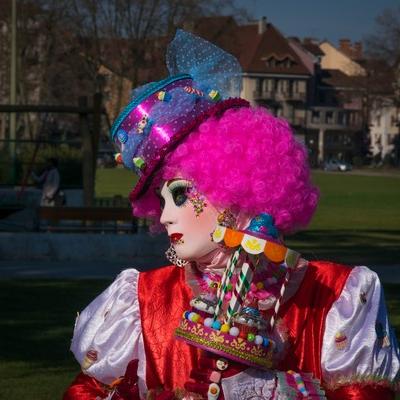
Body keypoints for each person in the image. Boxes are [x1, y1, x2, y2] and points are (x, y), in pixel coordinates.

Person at [64, 31, 399, 400]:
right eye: (161, 202)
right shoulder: (141, 300)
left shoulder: (338, 296)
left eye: (180, 195)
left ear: (234, 190)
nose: (165, 218)